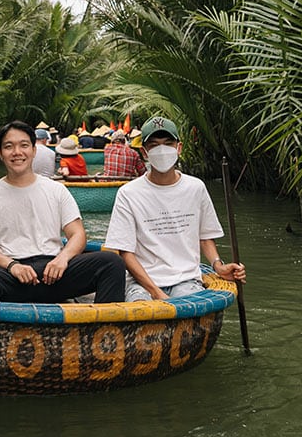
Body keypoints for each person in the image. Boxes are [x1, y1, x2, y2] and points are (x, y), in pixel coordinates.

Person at [0, 121, 126, 303]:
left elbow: (78, 234)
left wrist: (62, 259)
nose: (17, 152)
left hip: (55, 271)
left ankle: (103, 330)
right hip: (11, 273)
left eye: (24, 145)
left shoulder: (55, 190)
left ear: (34, 151)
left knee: (112, 263)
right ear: (0, 153)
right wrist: (12, 266)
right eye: (9, 147)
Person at [104, 115, 247, 302]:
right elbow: (125, 252)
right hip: (141, 282)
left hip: (186, 279)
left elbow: (204, 237)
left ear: (178, 148)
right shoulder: (128, 193)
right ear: (145, 152)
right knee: (141, 307)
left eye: (168, 143)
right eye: (154, 145)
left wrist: (218, 266)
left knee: (189, 302)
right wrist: (155, 292)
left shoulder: (195, 188)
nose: (161, 150)